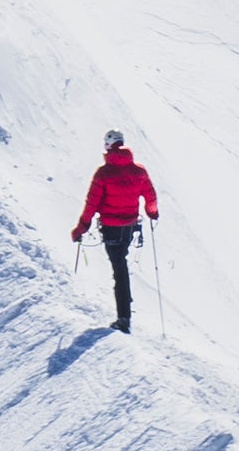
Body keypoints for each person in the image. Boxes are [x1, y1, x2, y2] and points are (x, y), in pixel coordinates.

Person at [71, 129, 159, 332]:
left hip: (111, 228)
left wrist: (81, 228)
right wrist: (152, 213)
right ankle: (126, 301)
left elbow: (91, 204)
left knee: (119, 269)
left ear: (108, 146)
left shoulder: (103, 173)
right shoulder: (139, 171)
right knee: (121, 264)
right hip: (129, 227)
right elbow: (151, 197)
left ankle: (124, 317)